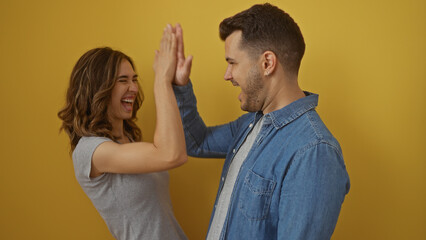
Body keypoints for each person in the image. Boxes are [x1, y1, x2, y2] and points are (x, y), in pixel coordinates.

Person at [172, 3, 350, 239]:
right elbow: (198, 142)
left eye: (232, 62)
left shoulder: (314, 152)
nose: (227, 75)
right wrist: (181, 85)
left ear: (267, 63)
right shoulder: (250, 124)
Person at [58, 24, 192, 240]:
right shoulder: (90, 151)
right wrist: (161, 81)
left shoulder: (129, 140)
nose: (134, 88)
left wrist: (178, 85)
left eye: (134, 79)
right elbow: (172, 154)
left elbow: (173, 148)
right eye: (123, 80)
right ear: (97, 88)